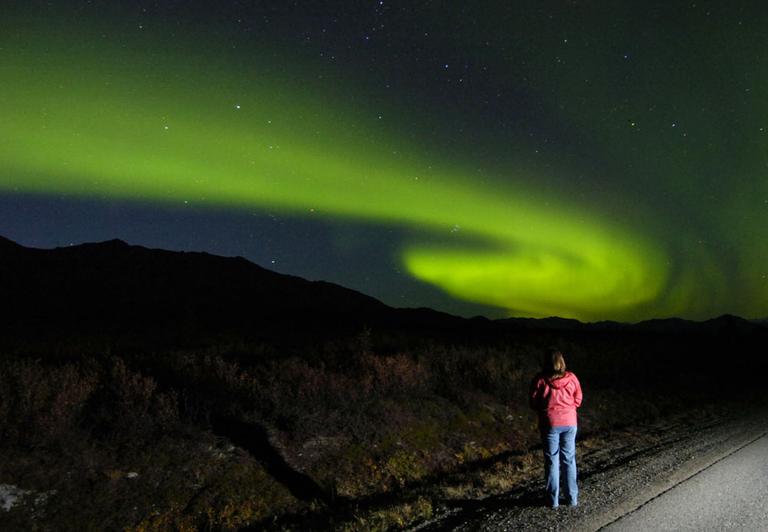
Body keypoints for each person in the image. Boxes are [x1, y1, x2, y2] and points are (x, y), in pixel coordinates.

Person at [529, 348, 583, 508]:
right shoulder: (572, 377)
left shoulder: (540, 380)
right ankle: (572, 498)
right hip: (569, 422)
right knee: (569, 460)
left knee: (552, 461)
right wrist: (569, 407)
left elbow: (533, 402)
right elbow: (578, 398)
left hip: (550, 423)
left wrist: (545, 408)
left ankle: (553, 500)